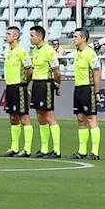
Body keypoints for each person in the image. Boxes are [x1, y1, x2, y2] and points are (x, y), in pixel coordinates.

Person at [28, 25, 62, 158]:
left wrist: (57, 85)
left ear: (40, 37)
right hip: (36, 84)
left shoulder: (49, 51)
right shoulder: (35, 51)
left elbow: (57, 72)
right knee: (40, 116)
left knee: (49, 115)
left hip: (46, 84)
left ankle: (57, 150)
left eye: (32, 36)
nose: (30, 39)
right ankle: (44, 148)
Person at [69, 29, 101, 160]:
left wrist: (96, 92)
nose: (73, 39)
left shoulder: (90, 54)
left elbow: (97, 73)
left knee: (91, 118)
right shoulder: (77, 53)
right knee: (81, 120)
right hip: (78, 88)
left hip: (88, 88)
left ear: (83, 39)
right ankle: (82, 151)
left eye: (75, 36)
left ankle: (95, 152)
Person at [0, 26, 33, 158]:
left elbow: (29, 70)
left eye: (8, 34)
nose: (6, 36)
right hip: (9, 87)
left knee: (23, 116)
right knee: (13, 117)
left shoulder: (22, 52)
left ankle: (27, 148)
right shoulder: (8, 52)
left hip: (19, 87)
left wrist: (25, 84)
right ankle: (14, 147)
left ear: (15, 36)